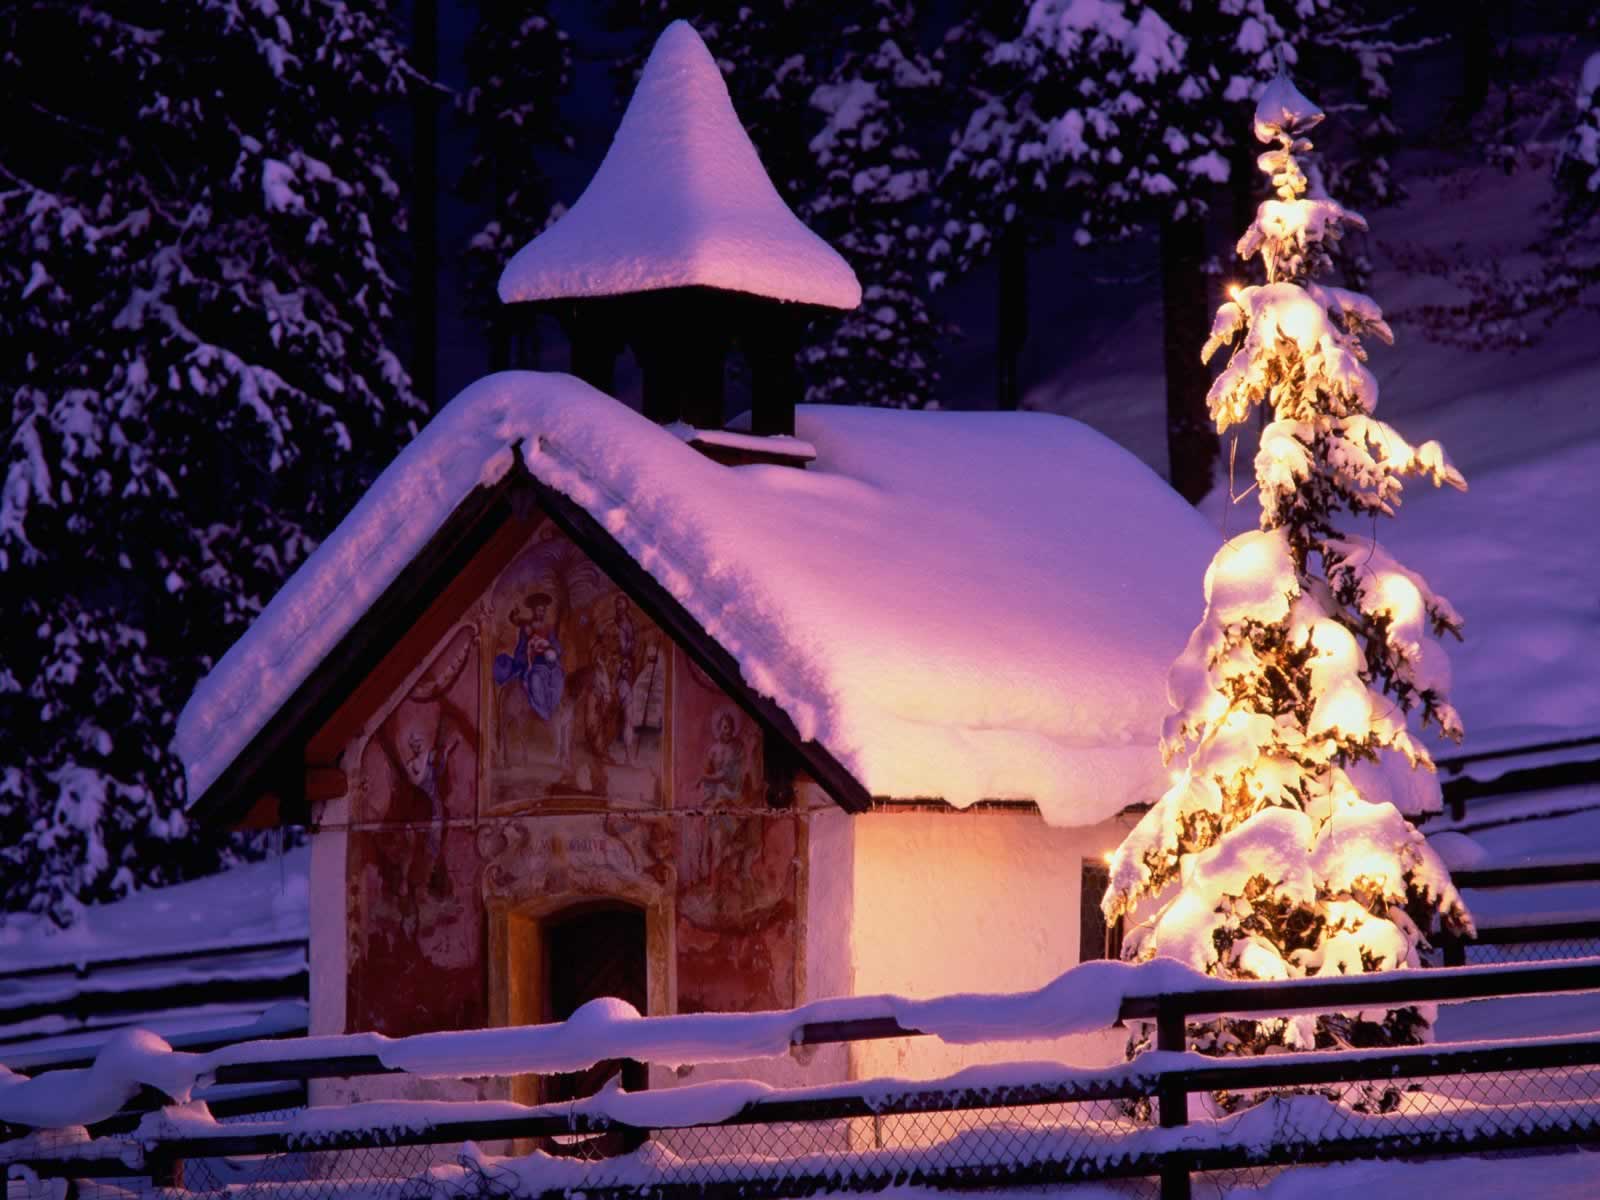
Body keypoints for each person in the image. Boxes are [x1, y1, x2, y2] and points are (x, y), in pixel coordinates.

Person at [494, 591, 564, 720]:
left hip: (550, 666)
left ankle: (553, 709)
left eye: (543, 610)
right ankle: (543, 713)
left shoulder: (549, 628)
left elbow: (557, 647)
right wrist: (527, 655)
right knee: (535, 680)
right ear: (533, 610)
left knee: (559, 678)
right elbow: (520, 649)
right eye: (538, 610)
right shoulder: (526, 628)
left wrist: (550, 647)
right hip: (534, 665)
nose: (541, 613)